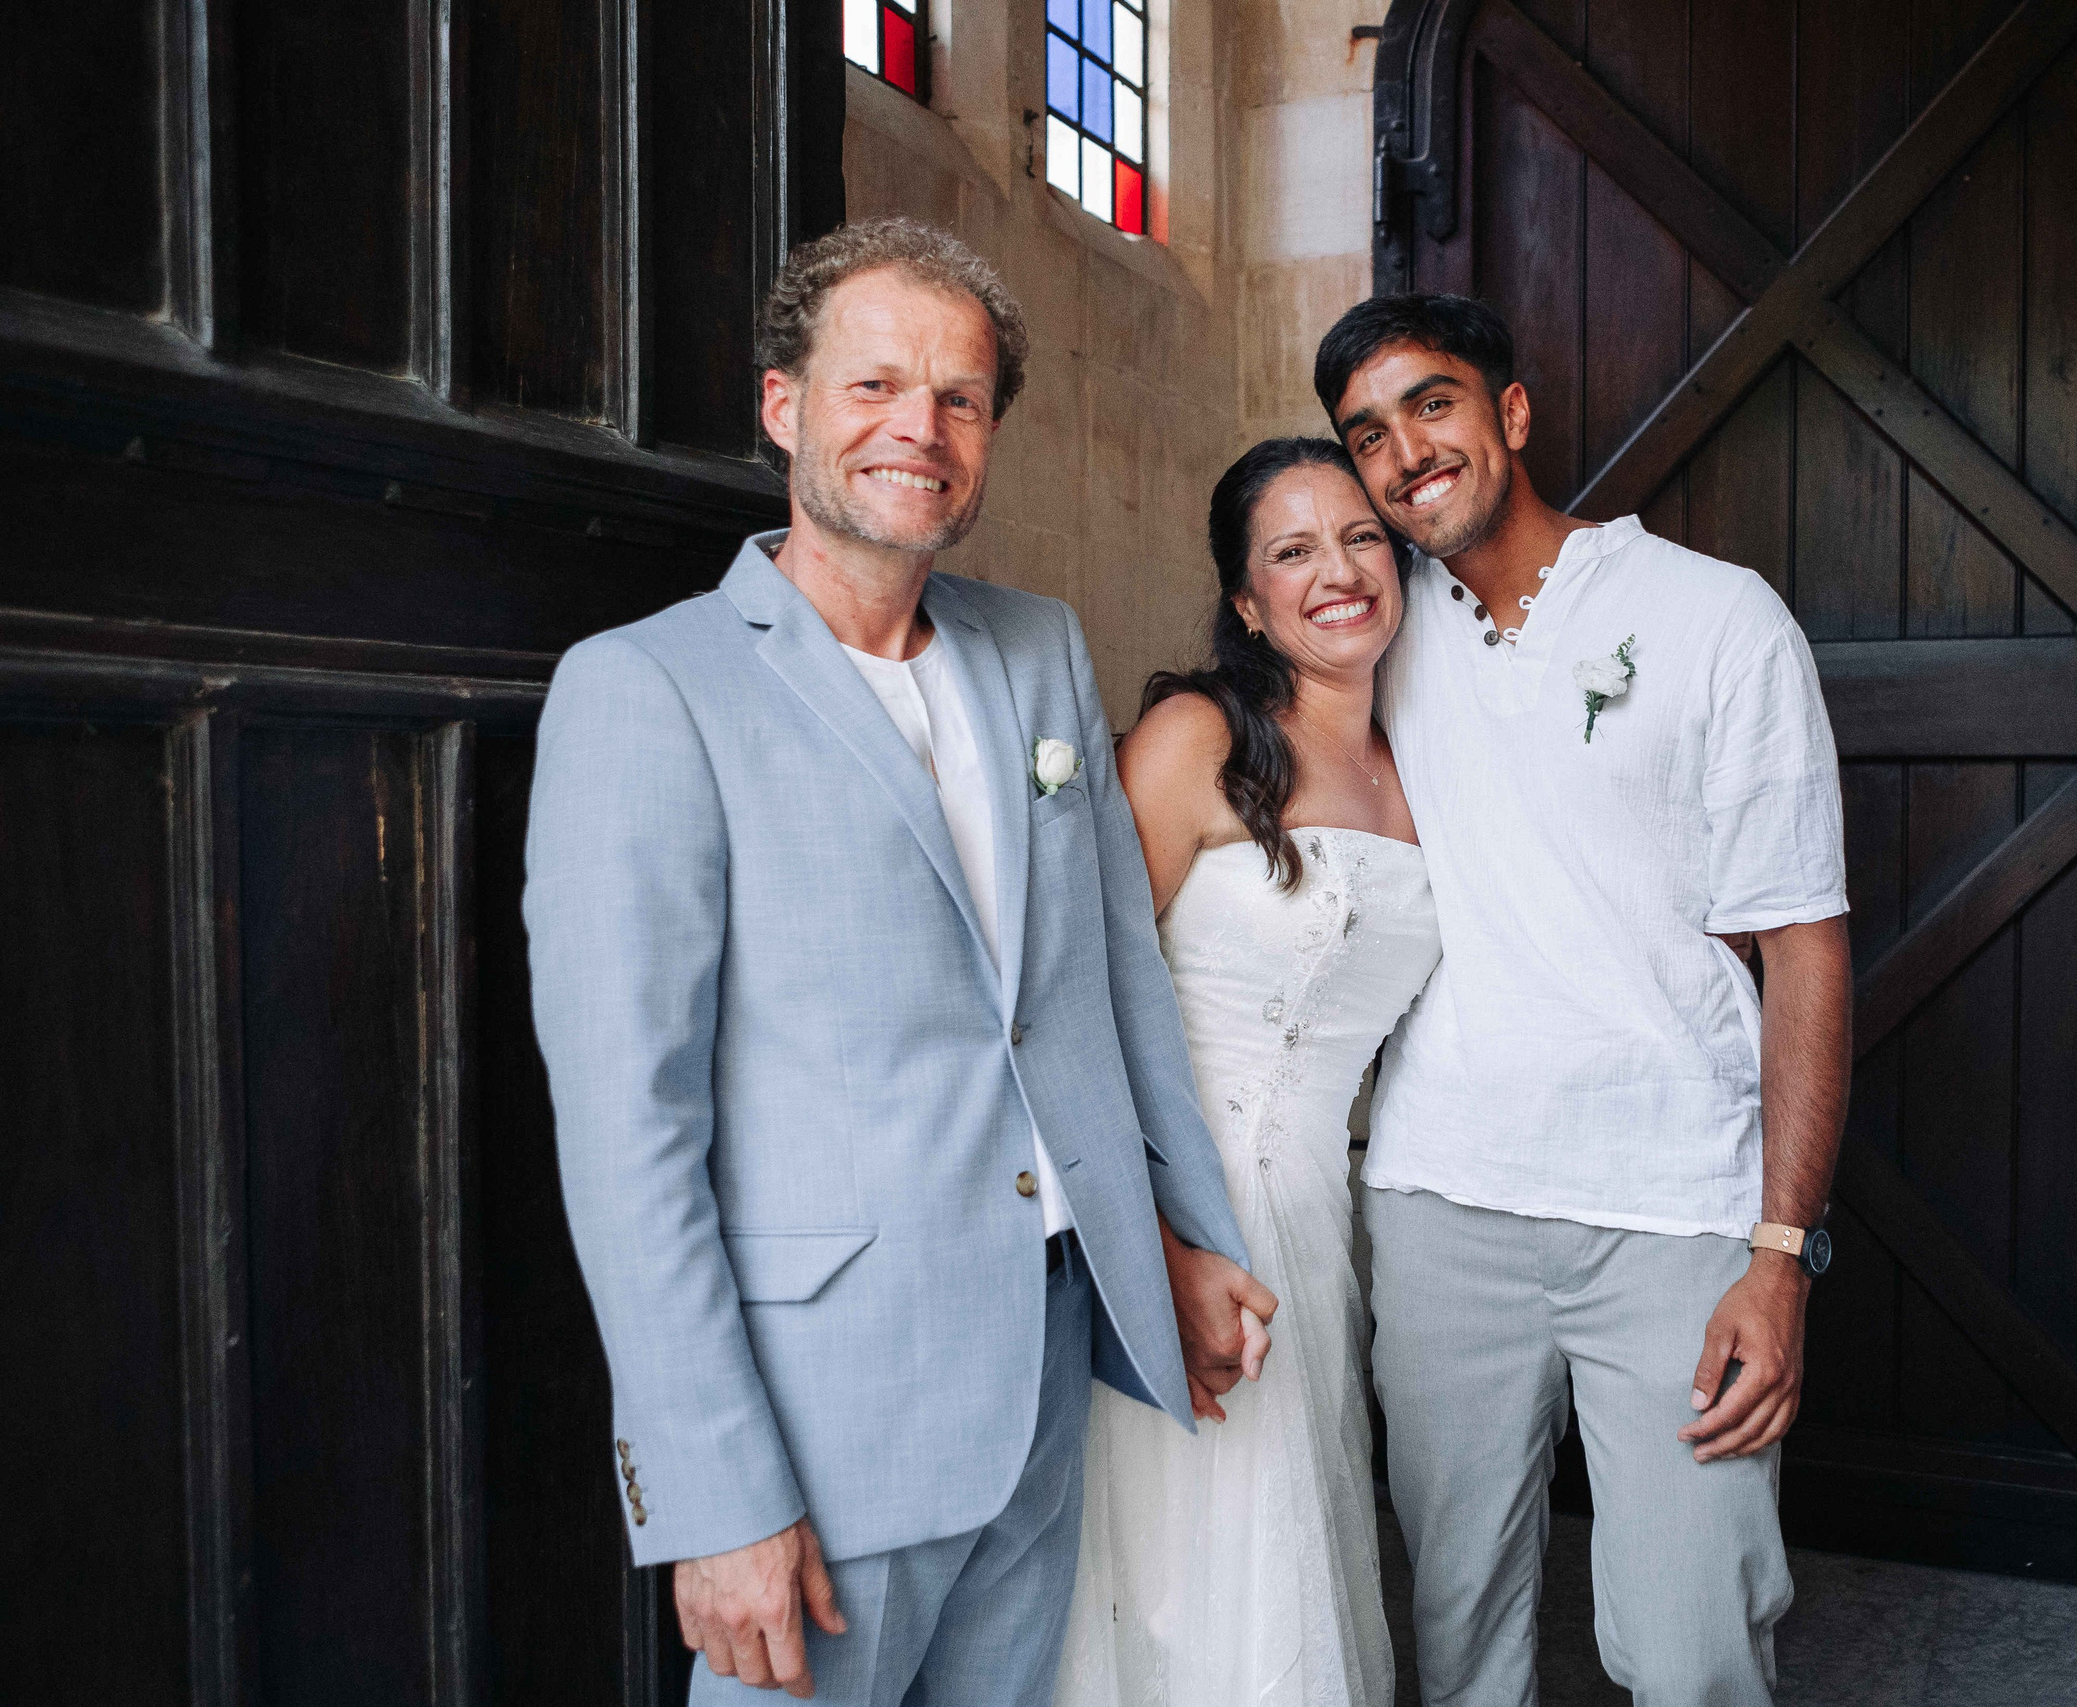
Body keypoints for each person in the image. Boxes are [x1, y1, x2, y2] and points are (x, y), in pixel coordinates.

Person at [522, 215, 1275, 1706]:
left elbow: (1108, 985)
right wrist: (711, 1482)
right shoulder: (644, 688)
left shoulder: (1040, 645)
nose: (916, 431)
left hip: (1048, 1371)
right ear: (784, 404)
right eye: (873, 386)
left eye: (959, 399)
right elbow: (629, 1131)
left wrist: (1180, 1238)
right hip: (820, 1420)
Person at [1316, 293, 1853, 1706]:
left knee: (1694, 1647)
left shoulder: (1713, 615)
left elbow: (1803, 941)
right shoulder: (1367, 639)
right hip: (1438, 1204)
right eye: (1365, 434)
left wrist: (1781, 1251)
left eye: (1431, 403)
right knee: (1460, 1631)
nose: (1403, 452)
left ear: (1511, 412)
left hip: (1674, 1213)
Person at [1053, 438, 1441, 1707]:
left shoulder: (1428, 764)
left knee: (1292, 1548)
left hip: (1321, 1216)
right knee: (1174, 1559)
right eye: (1292, 551)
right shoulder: (1195, 737)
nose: (1336, 572)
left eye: (1361, 538)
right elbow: (1075, 999)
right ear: (1243, 599)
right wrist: (1162, 1240)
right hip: (1181, 1197)